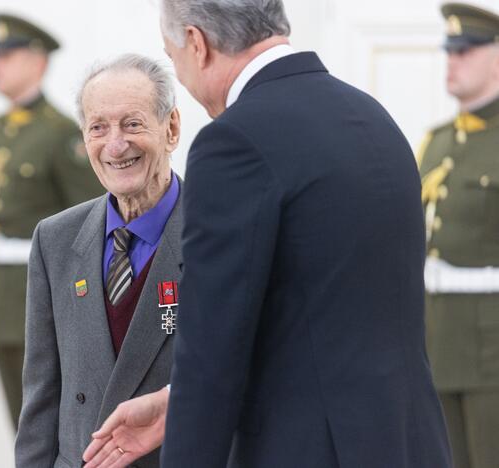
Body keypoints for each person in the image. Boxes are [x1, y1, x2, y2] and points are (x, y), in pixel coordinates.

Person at [83, 1, 452, 467]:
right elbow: (322, 311)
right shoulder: (371, 117)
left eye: (172, 57)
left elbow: (211, 350)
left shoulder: (233, 142)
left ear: (197, 44)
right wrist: (173, 403)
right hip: (407, 443)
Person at [14, 54, 183, 468]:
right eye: (98, 127)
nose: (115, 144)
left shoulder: (219, 235)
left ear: (172, 128)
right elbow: (41, 397)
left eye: (132, 123)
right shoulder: (54, 239)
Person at [0, 13, 104, 429]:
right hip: (3, 292)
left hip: (44, 294)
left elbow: (88, 224)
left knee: (48, 426)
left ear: (37, 62)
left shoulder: (61, 134)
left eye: (9, 55)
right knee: (19, 426)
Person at [416, 4, 499, 468]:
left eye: (466, 51)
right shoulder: (437, 141)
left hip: (493, 350)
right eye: (450, 51)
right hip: (437, 342)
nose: (453, 61)